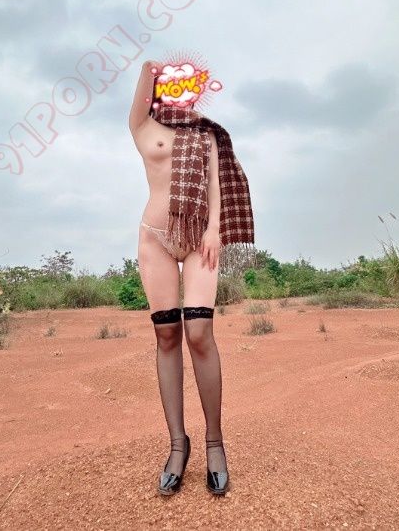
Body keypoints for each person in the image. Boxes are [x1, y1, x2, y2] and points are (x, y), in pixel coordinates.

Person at [128, 59, 255, 496]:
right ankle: (177, 445)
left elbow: (215, 185)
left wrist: (215, 230)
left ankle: (214, 443)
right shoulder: (143, 127)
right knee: (166, 336)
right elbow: (143, 84)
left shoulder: (205, 134)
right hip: (155, 239)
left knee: (199, 332)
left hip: (200, 238)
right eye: (172, 83)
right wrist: (153, 69)